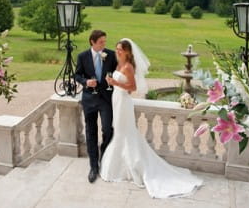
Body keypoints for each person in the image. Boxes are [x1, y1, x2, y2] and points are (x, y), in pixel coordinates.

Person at [101, 38, 203, 198]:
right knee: (120, 132)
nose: (118, 51)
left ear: (128, 52)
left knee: (125, 133)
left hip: (123, 102)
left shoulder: (127, 67)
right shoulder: (119, 64)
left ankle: (133, 167)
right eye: (117, 48)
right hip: (117, 99)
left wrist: (115, 82)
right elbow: (122, 86)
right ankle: (121, 166)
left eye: (121, 49)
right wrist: (112, 83)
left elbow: (132, 88)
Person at [75, 30, 117, 183]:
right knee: (90, 132)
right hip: (89, 100)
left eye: (105, 42)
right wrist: (86, 82)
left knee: (107, 129)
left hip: (106, 99)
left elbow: (118, 72)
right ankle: (93, 166)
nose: (104, 45)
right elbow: (77, 75)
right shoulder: (82, 56)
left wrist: (112, 78)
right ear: (92, 42)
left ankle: (104, 154)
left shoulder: (111, 55)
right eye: (101, 42)